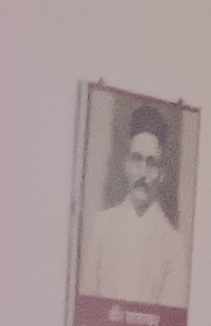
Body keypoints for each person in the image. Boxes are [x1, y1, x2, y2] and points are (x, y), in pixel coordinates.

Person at [74, 101, 192, 311]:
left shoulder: (173, 244)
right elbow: (87, 306)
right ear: (126, 165)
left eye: (151, 163)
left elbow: (168, 319)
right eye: (137, 160)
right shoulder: (102, 225)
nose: (143, 173)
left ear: (162, 174)